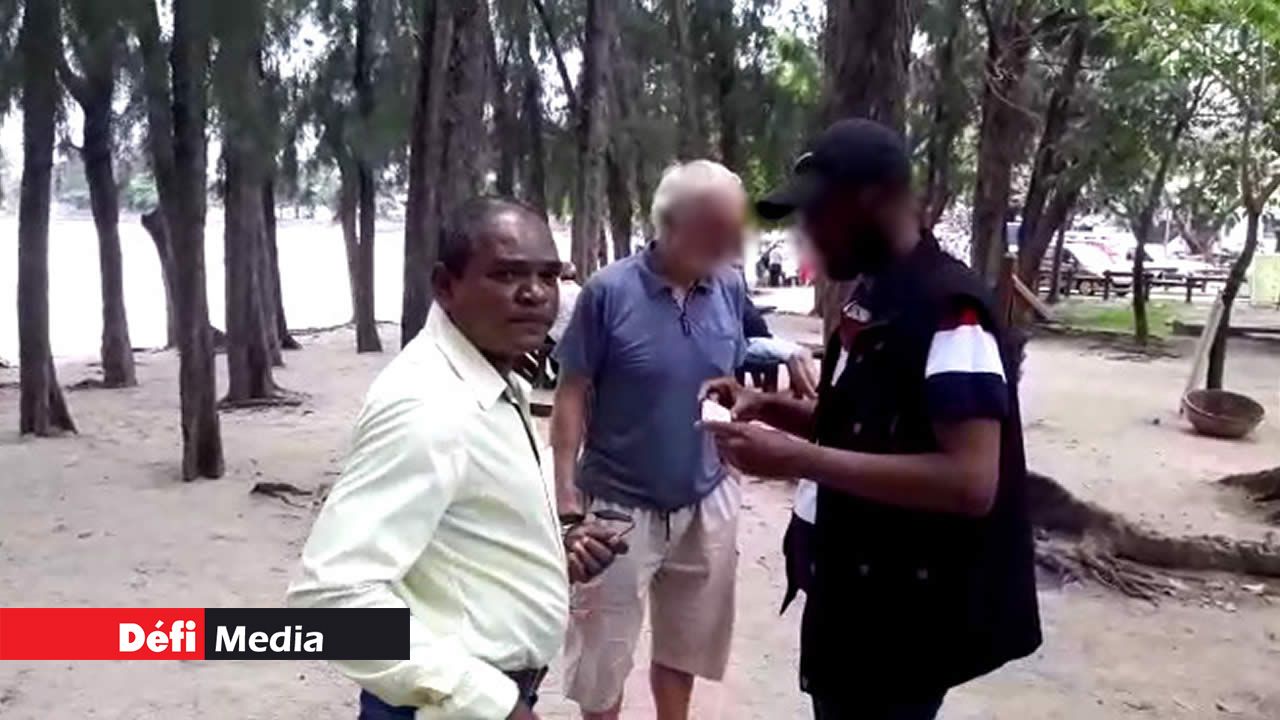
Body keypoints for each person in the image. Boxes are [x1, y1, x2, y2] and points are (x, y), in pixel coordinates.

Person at [703, 119, 1042, 720]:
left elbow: (970, 481)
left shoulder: (950, 311)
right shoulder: (875, 297)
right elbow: (864, 428)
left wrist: (800, 459)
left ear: (875, 202)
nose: (808, 235)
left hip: (903, 619)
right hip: (852, 595)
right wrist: (769, 408)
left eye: (818, 215)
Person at [287, 197, 627, 720]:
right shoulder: (429, 405)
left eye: (547, 275)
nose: (535, 293)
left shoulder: (494, 384)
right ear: (446, 286)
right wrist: (488, 702)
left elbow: (463, 529)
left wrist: (554, 552)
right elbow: (330, 602)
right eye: (507, 274)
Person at [550, 160, 748, 720]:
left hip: (705, 498)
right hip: (617, 506)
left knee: (685, 645)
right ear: (673, 223)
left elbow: (731, 373)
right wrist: (567, 501)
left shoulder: (729, 287)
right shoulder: (607, 292)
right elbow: (570, 395)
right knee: (602, 659)